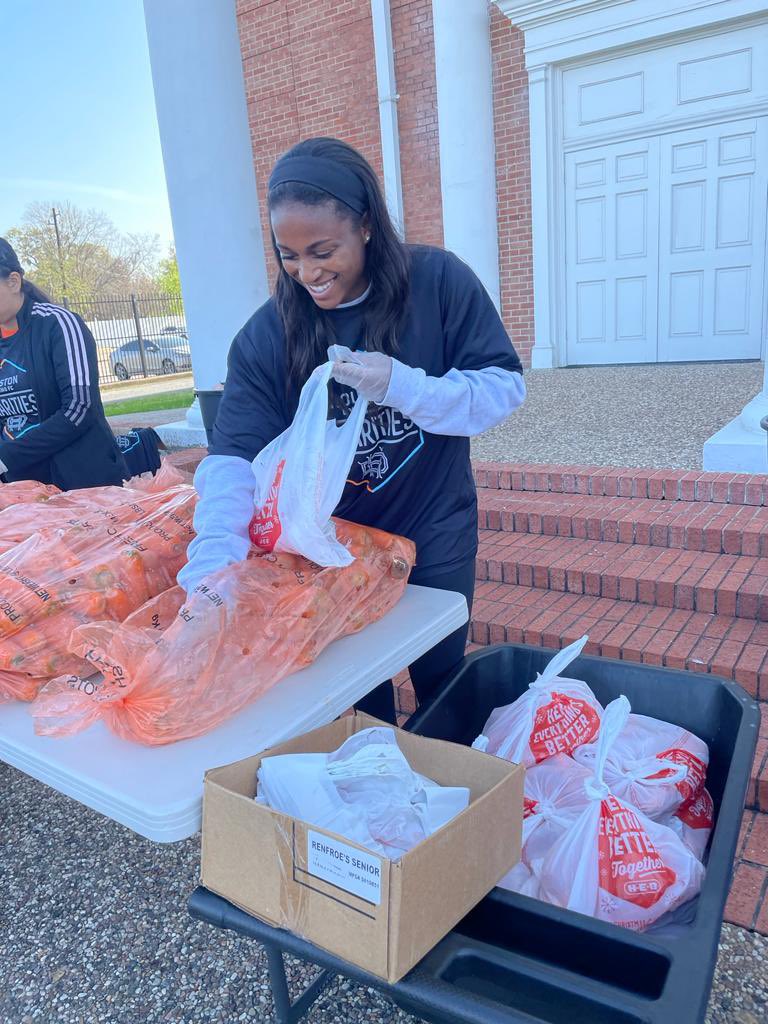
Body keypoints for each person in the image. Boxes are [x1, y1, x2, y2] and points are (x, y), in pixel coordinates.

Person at [178, 137, 525, 722]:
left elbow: (502, 389)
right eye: (288, 255)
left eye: (322, 250)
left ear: (365, 225)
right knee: (357, 688)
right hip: (333, 550)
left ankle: (457, 773)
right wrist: (212, 570)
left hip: (434, 525)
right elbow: (233, 459)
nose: (307, 273)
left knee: (441, 672)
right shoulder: (269, 335)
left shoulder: (436, 282)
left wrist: (406, 387)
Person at [0, 237, 127, 490]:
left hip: (81, 482)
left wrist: (6, 457)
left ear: (14, 281)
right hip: (21, 488)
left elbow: (80, 408)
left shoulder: (59, 324)